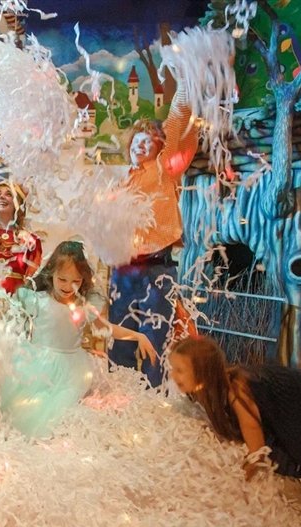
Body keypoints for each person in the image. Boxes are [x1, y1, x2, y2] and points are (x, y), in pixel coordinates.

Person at [1, 241, 156, 438]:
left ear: (84, 279)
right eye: (62, 279)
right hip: (37, 364)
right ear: (51, 274)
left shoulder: (84, 306)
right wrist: (0, 308)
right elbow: (9, 315)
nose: (68, 286)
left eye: (76, 281)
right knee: (28, 409)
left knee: (60, 413)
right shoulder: (36, 300)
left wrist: (137, 335)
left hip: (71, 370)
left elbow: (105, 328)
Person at [108, 77, 199, 388]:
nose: (141, 145)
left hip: (157, 268)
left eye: (149, 141)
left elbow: (177, 123)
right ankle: (119, 391)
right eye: (138, 139)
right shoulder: (120, 179)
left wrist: (185, 79)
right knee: (120, 333)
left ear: (160, 148)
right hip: (123, 269)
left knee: (156, 335)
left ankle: (153, 393)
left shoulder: (164, 168)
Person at [169, 336, 301, 489]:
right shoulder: (205, 391)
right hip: (287, 411)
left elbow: (256, 446)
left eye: (180, 370)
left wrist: (236, 483)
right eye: (173, 368)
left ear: (202, 372)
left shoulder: (237, 390)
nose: (173, 376)